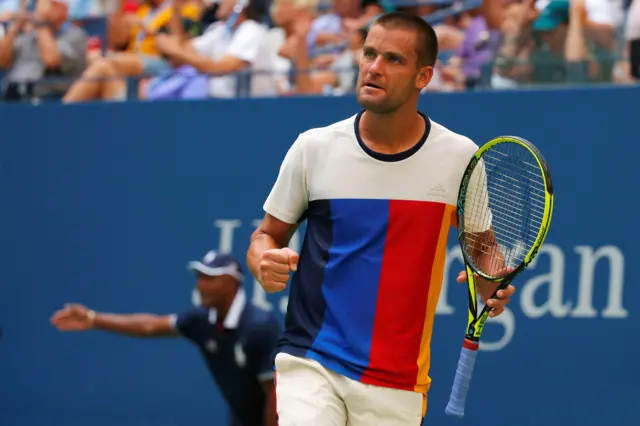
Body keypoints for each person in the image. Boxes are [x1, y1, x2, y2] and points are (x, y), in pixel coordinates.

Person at [246, 11, 516, 426]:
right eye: (369, 53)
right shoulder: (313, 148)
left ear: (423, 77)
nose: (373, 67)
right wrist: (263, 260)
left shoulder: (461, 158)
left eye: (392, 59)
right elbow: (266, 236)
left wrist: (492, 284)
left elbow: (485, 258)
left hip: (399, 382)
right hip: (312, 358)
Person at [50, 251, 280, 426]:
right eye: (199, 277)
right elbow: (150, 325)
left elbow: (276, 394)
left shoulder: (258, 328)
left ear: (232, 282)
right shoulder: (200, 320)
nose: (201, 285)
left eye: (210, 278)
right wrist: (93, 319)